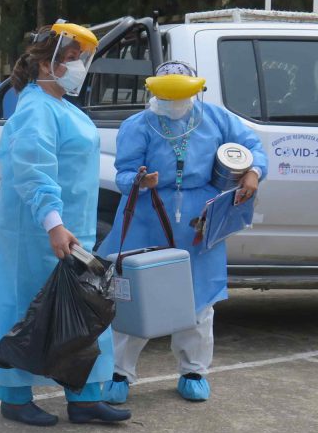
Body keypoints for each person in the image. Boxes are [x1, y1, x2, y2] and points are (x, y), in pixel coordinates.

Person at [0, 21, 131, 426]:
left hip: (71, 230)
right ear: (49, 63)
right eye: (74, 59)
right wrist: (53, 222)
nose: (80, 67)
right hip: (37, 234)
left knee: (82, 309)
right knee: (23, 310)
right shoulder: (34, 108)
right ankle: (14, 395)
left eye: (82, 59)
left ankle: (84, 398)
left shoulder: (60, 106)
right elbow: (33, 170)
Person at [98, 62, 267, 403]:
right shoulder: (139, 125)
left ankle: (193, 370)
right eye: (167, 96)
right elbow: (123, 172)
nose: (174, 103)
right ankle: (119, 371)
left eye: (181, 95)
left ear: (194, 91)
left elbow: (253, 146)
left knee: (199, 298)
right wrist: (139, 181)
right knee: (134, 295)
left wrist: (254, 172)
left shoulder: (216, 119)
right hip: (148, 217)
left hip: (198, 220)